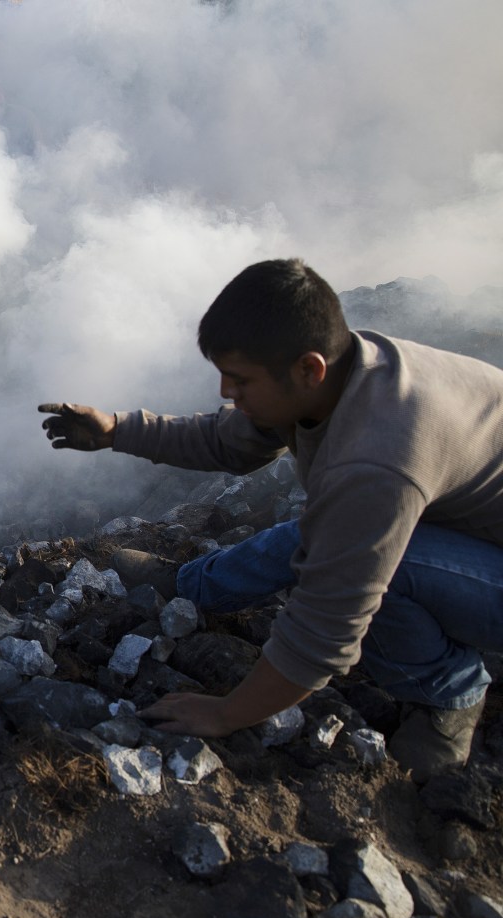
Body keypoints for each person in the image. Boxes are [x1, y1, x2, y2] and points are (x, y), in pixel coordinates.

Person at [38, 258, 503, 781]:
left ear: (309, 369)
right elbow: (228, 441)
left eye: (239, 381)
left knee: (379, 563)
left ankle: (448, 692)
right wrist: (116, 430)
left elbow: (326, 628)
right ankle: (192, 586)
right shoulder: (344, 369)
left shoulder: (377, 456)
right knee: (332, 529)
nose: (225, 394)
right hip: (471, 531)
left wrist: (227, 712)